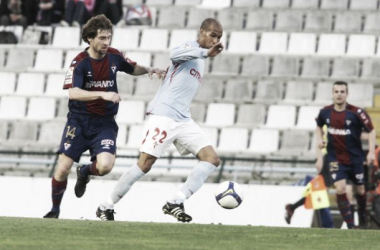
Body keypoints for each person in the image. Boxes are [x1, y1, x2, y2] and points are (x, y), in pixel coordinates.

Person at [96, 18, 224, 222]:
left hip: (183, 118)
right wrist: (205, 52)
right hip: (163, 115)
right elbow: (174, 54)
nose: (215, 40)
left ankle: (175, 201)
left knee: (211, 159)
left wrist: (206, 55)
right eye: (212, 35)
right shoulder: (191, 48)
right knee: (145, 164)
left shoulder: (202, 59)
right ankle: (105, 206)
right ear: (201, 32)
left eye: (219, 37)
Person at [43, 14, 164, 219]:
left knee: (105, 166)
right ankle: (55, 211)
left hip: (104, 123)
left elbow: (131, 67)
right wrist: (102, 93)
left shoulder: (115, 56)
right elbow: (73, 93)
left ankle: (84, 172)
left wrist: (148, 69)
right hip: (79, 121)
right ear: (90, 38)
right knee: (63, 168)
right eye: (102, 38)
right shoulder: (79, 63)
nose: (106, 42)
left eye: (109, 37)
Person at [314, 81, 376, 229]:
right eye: (336, 92)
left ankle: (362, 221)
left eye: (342, 92)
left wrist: (372, 152)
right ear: (332, 94)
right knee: (340, 188)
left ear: (347, 94)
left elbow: (372, 131)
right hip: (335, 158)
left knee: (360, 190)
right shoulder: (325, 112)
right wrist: (319, 139)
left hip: (355, 159)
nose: (339, 94)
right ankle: (350, 226)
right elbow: (318, 126)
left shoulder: (357, 112)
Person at [285, 125, 334, 228]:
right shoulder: (328, 119)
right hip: (329, 158)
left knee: (321, 189)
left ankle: (292, 207)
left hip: (334, 158)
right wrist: (319, 158)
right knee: (323, 189)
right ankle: (325, 224)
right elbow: (320, 140)